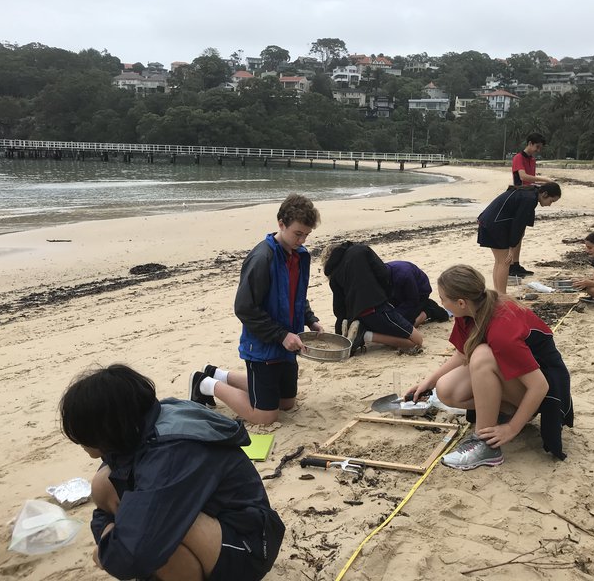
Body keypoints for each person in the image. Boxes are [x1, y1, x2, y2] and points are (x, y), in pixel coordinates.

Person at [59, 364, 285, 581]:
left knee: (156, 543)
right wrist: (108, 532)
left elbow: (133, 556)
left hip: (250, 547)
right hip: (220, 525)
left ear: (103, 431)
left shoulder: (169, 452)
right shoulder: (143, 425)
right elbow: (108, 508)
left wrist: (104, 553)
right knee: (105, 483)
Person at [407, 265, 573, 469]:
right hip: (516, 382)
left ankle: (486, 446)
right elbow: (461, 353)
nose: (441, 303)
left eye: (443, 298)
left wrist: (512, 428)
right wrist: (428, 382)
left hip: (541, 391)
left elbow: (540, 386)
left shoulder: (502, 327)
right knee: (446, 389)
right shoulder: (468, 311)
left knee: (482, 355)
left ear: (460, 302)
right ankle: (503, 412)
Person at [190, 194, 323, 425]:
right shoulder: (262, 257)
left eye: (306, 235)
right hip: (262, 347)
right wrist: (281, 335)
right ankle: (205, 383)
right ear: (281, 224)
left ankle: (218, 374)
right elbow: (243, 308)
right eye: (297, 234)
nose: (301, 240)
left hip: (288, 344)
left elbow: (298, 295)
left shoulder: (301, 256)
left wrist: (310, 319)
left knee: (287, 403)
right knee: (265, 417)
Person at [322, 241, 423, 355]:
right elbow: (383, 273)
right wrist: (385, 297)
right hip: (377, 307)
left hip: (358, 316)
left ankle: (362, 332)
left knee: (390, 333)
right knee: (417, 341)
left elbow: (339, 307)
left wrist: (340, 332)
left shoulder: (334, 274)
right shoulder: (361, 250)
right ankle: (365, 335)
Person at [477, 182, 562, 294]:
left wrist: (513, 243)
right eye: (551, 201)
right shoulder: (530, 198)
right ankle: (502, 295)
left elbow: (522, 225)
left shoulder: (531, 193)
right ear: (545, 194)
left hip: (488, 221)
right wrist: (512, 247)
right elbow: (519, 224)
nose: (550, 204)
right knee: (505, 262)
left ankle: (498, 294)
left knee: (499, 261)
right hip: (496, 224)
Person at [509, 132, 555, 277]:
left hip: (530, 196)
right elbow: (523, 177)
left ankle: (515, 263)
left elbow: (531, 180)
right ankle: (511, 264)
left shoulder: (532, 160)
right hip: (519, 196)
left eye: (540, 148)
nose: (538, 150)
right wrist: (544, 179)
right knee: (516, 231)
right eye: (537, 147)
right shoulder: (518, 157)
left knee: (521, 232)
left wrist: (543, 184)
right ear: (529, 143)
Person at [386, 260, 449, 327]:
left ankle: (429, 309)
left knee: (401, 324)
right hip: (397, 294)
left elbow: (412, 300)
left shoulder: (404, 274)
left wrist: (396, 315)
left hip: (419, 294)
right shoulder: (378, 277)